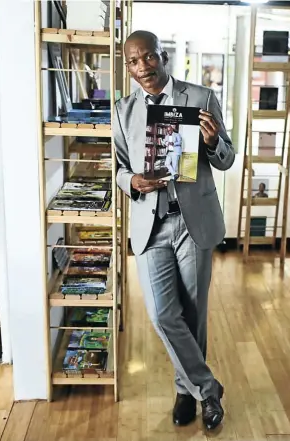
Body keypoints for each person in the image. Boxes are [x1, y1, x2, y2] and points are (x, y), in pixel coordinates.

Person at [113, 30, 235, 431]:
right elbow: (117, 168)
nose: (142, 67)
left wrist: (214, 140)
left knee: (194, 314)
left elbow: (226, 158)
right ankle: (206, 386)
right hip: (150, 225)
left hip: (192, 222)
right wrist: (132, 181)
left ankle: (185, 391)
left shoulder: (199, 98)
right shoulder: (123, 111)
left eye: (149, 57)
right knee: (164, 313)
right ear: (127, 66)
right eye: (133, 61)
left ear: (161, 57)